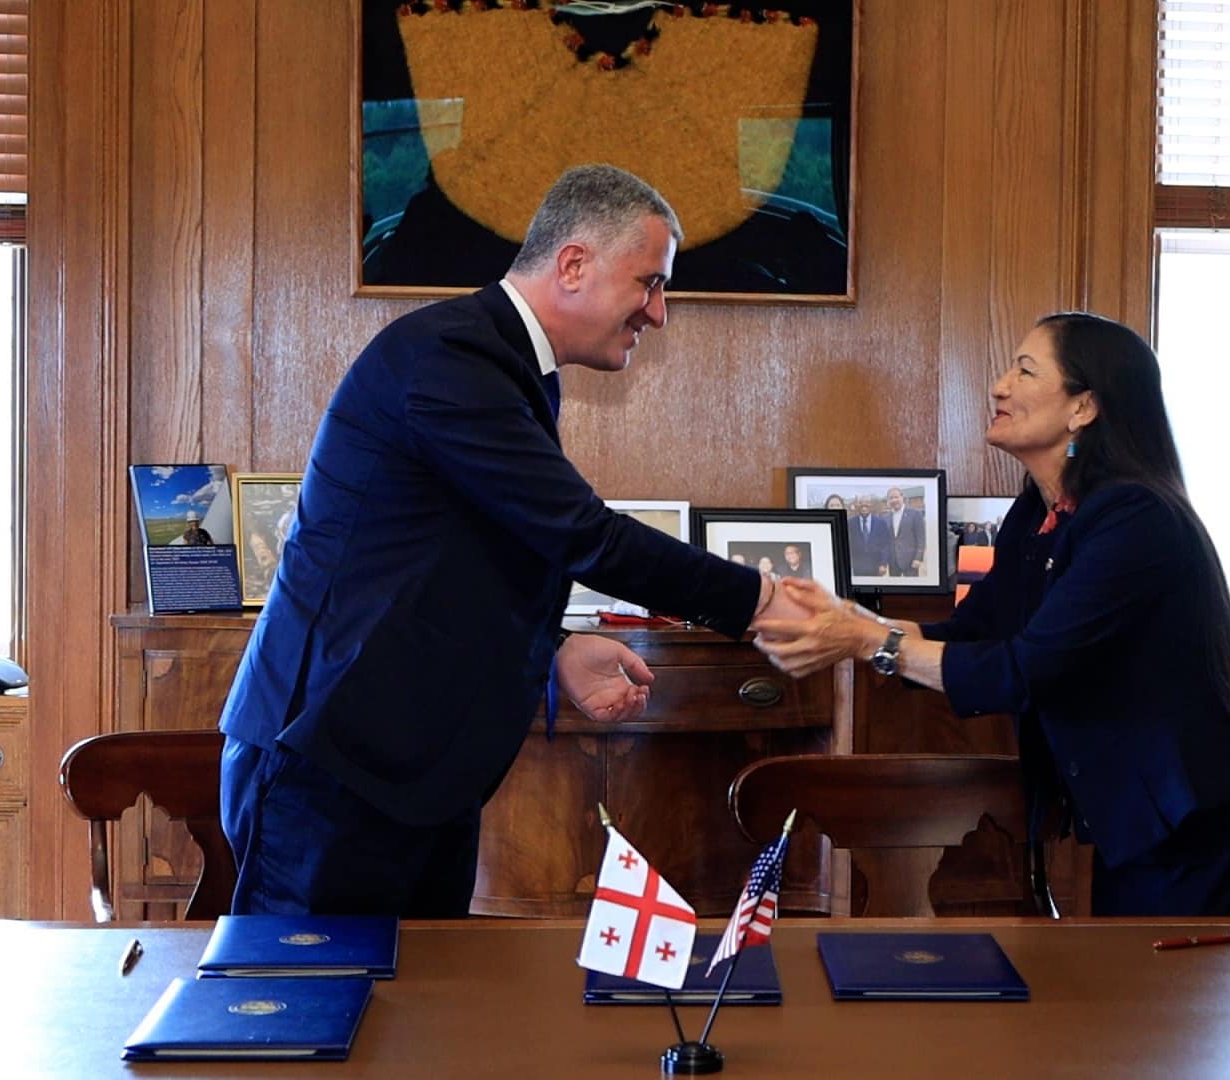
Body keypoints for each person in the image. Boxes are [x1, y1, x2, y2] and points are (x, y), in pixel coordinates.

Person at [217, 164, 809, 918]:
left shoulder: (506, 365)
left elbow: (461, 561)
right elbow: (585, 535)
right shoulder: (450, 359)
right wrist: (763, 601)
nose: (659, 314)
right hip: (331, 763)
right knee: (311, 992)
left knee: (425, 994)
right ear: (574, 264)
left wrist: (553, 649)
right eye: (650, 284)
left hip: (408, 773)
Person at [755, 312, 1230, 917]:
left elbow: (1024, 669)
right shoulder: (1037, 515)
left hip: (1204, 824)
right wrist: (848, 619)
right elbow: (971, 635)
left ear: (1083, 407)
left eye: (1026, 371)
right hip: (1139, 824)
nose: (999, 386)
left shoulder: (1135, 519)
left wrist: (865, 641)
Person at [847, 495, 893, 577]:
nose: (864, 506)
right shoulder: (850, 523)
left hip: (876, 567)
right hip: (857, 568)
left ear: (871, 505)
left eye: (867, 503)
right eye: (861, 503)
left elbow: (885, 545)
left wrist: (883, 563)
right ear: (857, 505)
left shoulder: (881, 523)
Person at [886, 487, 926, 576]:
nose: (894, 500)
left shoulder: (915, 514)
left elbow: (921, 538)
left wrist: (918, 558)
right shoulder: (887, 517)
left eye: (896, 497)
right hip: (893, 561)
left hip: (911, 561)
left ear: (902, 497)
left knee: (912, 585)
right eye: (891, 498)